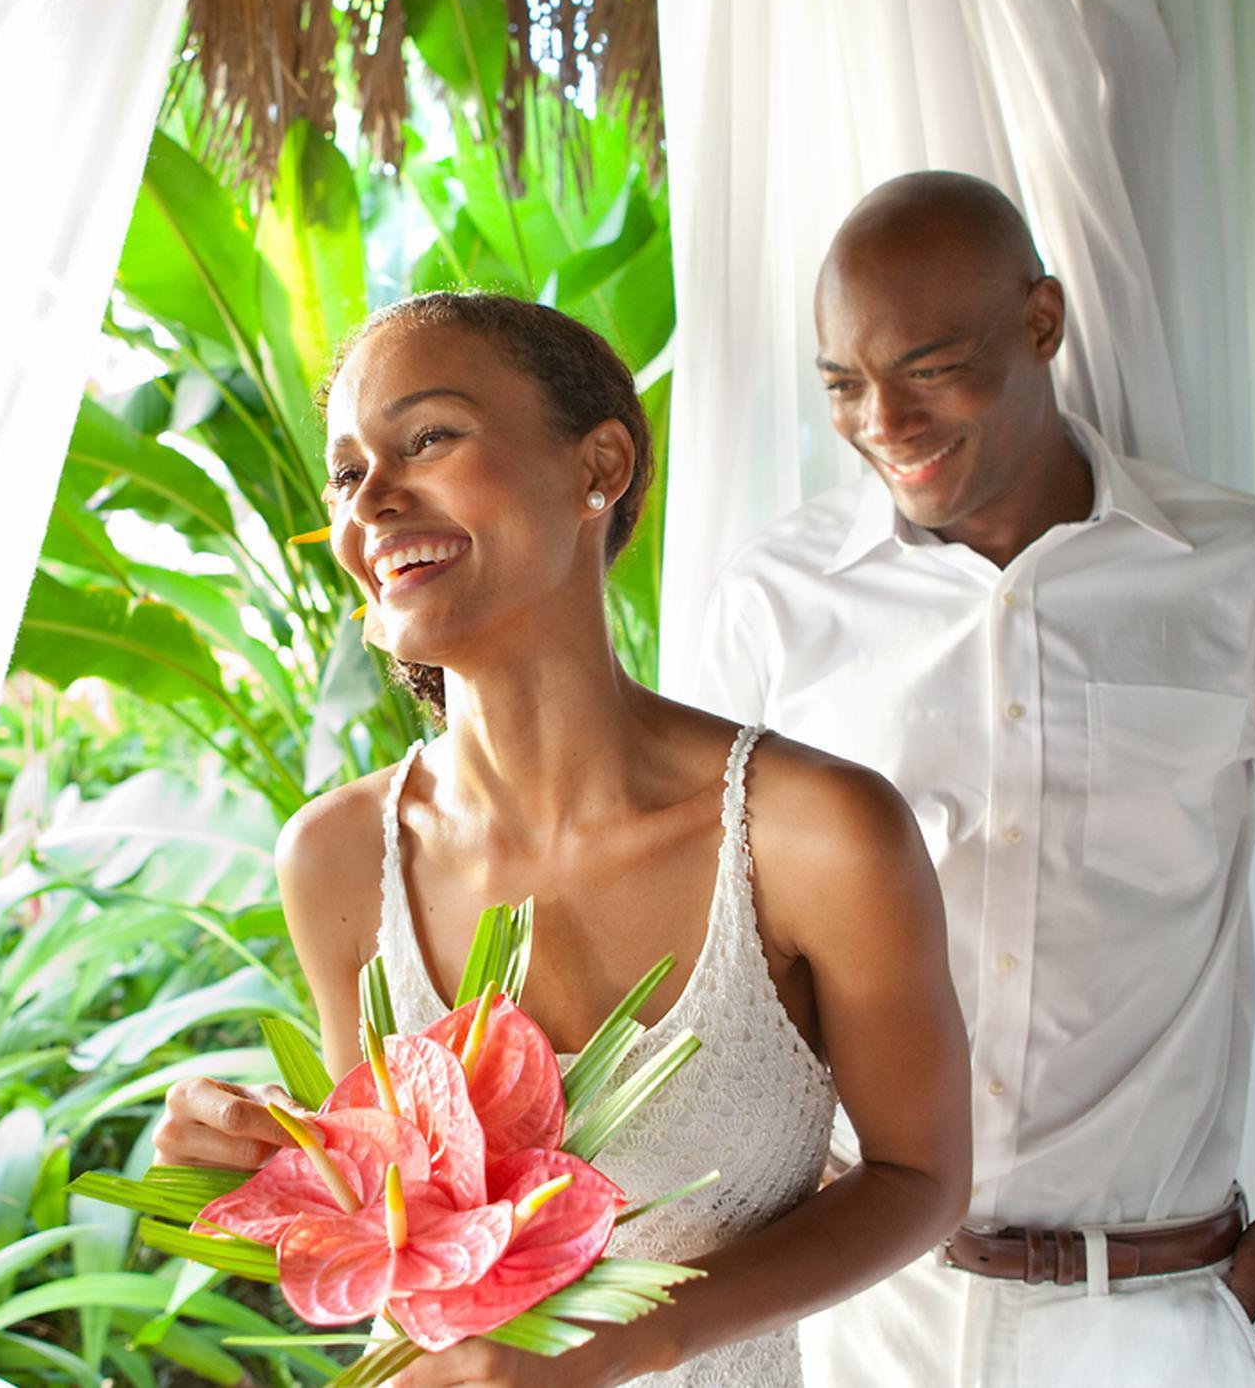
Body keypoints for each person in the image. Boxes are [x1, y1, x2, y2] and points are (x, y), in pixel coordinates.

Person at [689, 172, 1255, 1388]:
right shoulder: (775, 603)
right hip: (860, 1319)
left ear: (1043, 322)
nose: (881, 419)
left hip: (1157, 1317)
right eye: (843, 382)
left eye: (930, 367)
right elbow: (712, 938)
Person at [154, 292, 972, 1385]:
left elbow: (919, 1177)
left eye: (429, 437)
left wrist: (636, 1333)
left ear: (599, 467)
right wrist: (271, 1156)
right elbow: (401, 1226)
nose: (375, 501)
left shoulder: (811, 833)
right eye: (348, 473)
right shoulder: (339, 857)